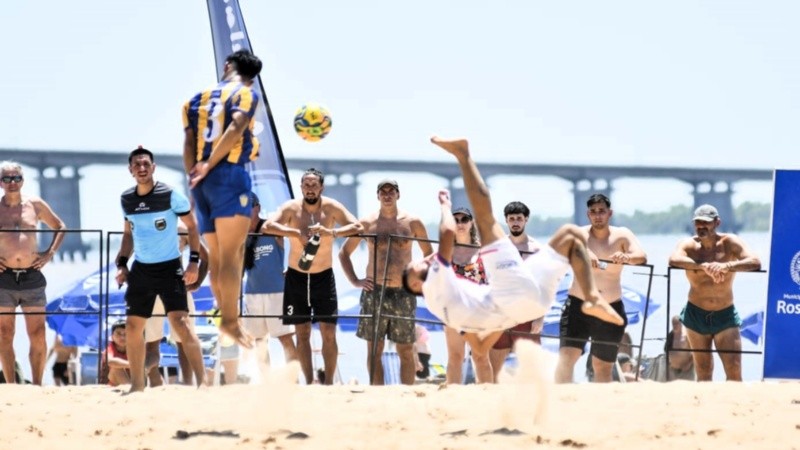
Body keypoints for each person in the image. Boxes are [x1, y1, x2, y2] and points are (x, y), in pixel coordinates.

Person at [402, 137, 623, 368]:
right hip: (513, 296)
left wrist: (502, 320)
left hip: (529, 308)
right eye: (413, 268)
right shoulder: (434, 282)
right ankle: (462, 154)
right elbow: (447, 232)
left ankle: (591, 298)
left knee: (569, 235)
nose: (419, 262)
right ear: (417, 286)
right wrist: (445, 205)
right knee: (486, 219)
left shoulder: (443, 310)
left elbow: (478, 347)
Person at [182, 49, 263, 348]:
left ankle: (228, 319)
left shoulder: (194, 99)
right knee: (232, 254)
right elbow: (235, 127)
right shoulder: (246, 94)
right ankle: (230, 321)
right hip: (228, 174)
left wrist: (195, 173)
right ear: (251, 77)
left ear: (227, 65)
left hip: (200, 183)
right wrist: (211, 164)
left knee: (216, 257)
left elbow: (189, 141)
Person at [115, 147, 207, 393]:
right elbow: (128, 234)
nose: (142, 168)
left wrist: (193, 262)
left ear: (153, 167)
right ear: (130, 170)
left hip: (170, 268)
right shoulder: (127, 199)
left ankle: (204, 384)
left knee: (182, 324)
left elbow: (193, 227)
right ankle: (137, 386)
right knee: (134, 327)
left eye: (146, 164)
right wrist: (122, 263)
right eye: (137, 165)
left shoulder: (171, 195)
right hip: (142, 271)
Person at [264, 168, 363, 385]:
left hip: (323, 276)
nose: (310, 189)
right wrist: (294, 233)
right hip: (296, 277)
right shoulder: (291, 208)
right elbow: (267, 226)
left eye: (314, 185)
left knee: (329, 332)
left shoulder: (331, 207)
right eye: (306, 185)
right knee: (302, 333)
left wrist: (332, 233)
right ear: (301, 187)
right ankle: (309, 382)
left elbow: (358, 226)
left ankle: (328, 382)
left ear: (321, 187)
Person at [338, 179, 433, 385]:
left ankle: (406, 392)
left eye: (392, 191)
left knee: (406, 348)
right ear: (378, 196)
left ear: (398, 195)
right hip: (375, 290)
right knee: (374, 348)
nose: (387, 195)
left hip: (403, 292)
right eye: (383, 191)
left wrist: (418, 280)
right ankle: (377, 393)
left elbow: (428, 254)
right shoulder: (367, 223)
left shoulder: (413, 223)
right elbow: (344, 252)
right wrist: (355, 281)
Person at [555, 193, 647, 383]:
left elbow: (641, 256)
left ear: (609, 213)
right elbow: (562, 249)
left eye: (602, 211)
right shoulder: (579, 234)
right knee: (566, 359)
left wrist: (627, 257)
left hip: (610, 306)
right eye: (593, 212)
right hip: (579, 305)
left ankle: (601, 407)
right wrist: (585, 252)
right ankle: (559, 402)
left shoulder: (622, 234)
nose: (598, 215)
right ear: (588, 214)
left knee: (603, 366)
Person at [668, 204, 761, 381]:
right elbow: (673, 259)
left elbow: (755, 261)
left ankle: (734, 406)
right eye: (698, 223)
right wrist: (702, 266)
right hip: (696, 313)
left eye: (706, 222)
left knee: (734, 368)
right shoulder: (688, 245)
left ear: (717, 222)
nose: (701, 226)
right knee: (703, 370)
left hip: (724, 314)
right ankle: (706, 407)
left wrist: (727, 265)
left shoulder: (730, 242)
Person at [0, 160, 66, 385]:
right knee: (4, 334)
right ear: (0, 182)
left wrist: (49, 253)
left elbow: (60, 226)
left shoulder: (35, 205)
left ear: (23, 181)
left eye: (16, 178)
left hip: (32, 276)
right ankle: (12, 385)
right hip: (4, 278)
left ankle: (37, 384)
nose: (12, 183)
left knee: (37, 333)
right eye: (7, 178)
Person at [142, 224, 210, 386]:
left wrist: (197, 282)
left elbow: (207, 257)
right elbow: (207, 257)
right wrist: (197, 282)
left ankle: (183, 383)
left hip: (167, 286)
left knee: (179, 340)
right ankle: (163, 383)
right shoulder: (175, 226)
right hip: (163, 287)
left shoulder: (178, 227)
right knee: (162, 342)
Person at [435, 206, 494, 384]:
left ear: (471, 223)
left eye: (464, 220)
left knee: (481, 358)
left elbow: (494, 279)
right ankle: (453, 397)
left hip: (479, 310)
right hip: (452, 310)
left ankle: (486, 397)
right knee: (455, 357)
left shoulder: (483, 250)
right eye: (456, 220)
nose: (460, 224)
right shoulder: (445, 252)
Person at [489, 201, 545, 381]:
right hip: (501, 311)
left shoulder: (536, 249)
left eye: (519, 218)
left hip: (527, 313)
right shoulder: (498, 247)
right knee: (494, 369)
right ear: (506, 220)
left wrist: (540, 316)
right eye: (511, 218)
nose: (515, 222)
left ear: (526, 220)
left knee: (532, 368)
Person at [242, 191, 297, 373]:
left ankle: (293, 381)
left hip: (277, 292)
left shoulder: (270, 227)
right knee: (259, 340)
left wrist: (293, 267)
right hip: (252, 293)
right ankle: (266, 380)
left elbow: (298, 237)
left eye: (248, 206)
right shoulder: (239, 234)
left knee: (285, 338)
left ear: (257, 208)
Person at [101, 320, 131, 387]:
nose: (122, 337)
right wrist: (133, 365)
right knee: (116, 368)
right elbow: (110, 361)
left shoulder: (133, 349)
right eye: (118, 333)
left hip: (132, 380)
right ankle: (131, 389)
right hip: (112, 384)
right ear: (112, 337)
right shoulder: (109, 349)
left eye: (126, 334)